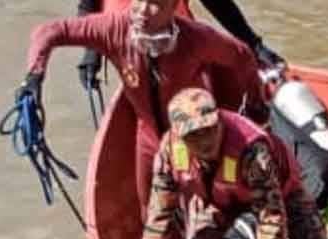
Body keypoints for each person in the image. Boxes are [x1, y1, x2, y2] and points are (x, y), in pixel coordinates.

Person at [21, 0, 266, 209]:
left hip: (190, 136)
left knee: (205, 205)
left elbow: (242, 56)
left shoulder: (196, 38)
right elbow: (48, 31)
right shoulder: (114, 28)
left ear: (174, 6)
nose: (141, 10)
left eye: (154, 3)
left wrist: (255, 104)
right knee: (150, 210)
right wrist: (34, 77)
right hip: (147, 137)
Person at [134, 87, 328, 239]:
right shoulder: (170, 151)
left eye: (209, 130)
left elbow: (271, 215)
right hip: (219, 199)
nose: (204, 142)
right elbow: (159, 214)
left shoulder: (251, 150)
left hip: (281, 197)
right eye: (193, 136)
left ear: (220, 121)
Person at [76, 0, 284, 95]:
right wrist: (91, 52)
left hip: (175, 33)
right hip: (125, 38)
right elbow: (87, 6)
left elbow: (218, 4)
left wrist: (254, 45)